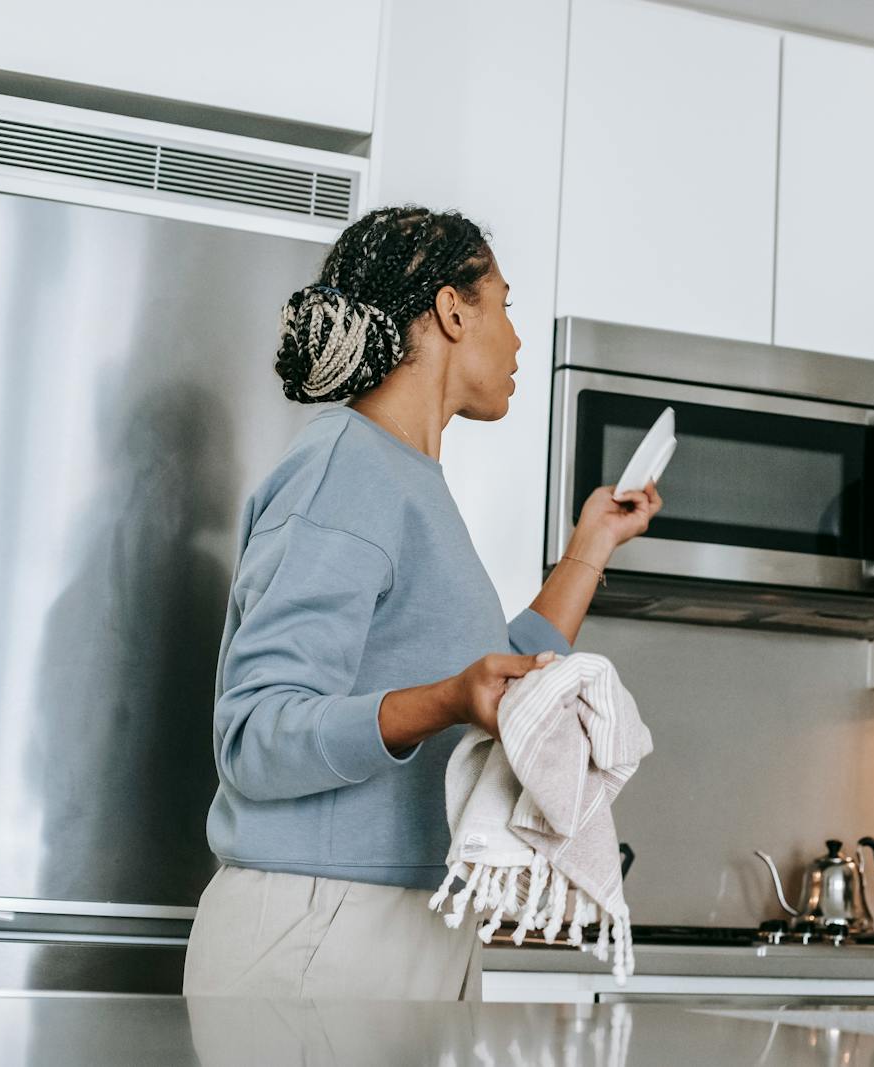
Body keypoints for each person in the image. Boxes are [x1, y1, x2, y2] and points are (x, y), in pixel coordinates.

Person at [182, 206, 661, 1000]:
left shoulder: (407, 481)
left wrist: (592, 546)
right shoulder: (347, 468)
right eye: (505, 305)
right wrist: (447, 698)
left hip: (396, 920)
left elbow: (490, 680)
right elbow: (255, 732)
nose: (518, 337)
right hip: (319, 923)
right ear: (451, 311)